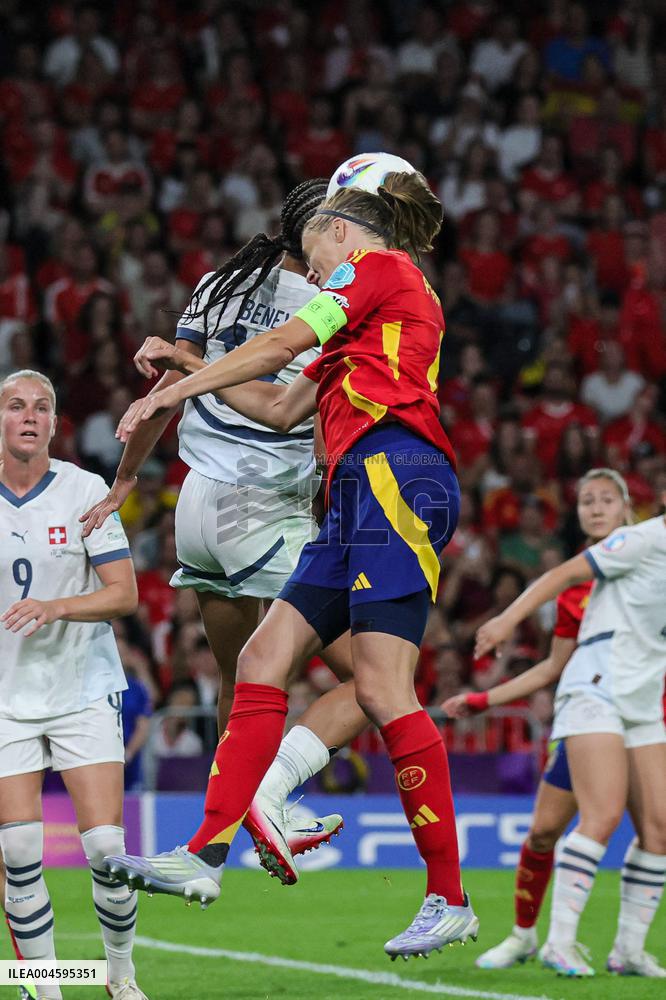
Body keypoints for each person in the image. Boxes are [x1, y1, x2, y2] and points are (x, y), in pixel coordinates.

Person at [105, 171, 479, 959]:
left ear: (343, 230)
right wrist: (182, 365)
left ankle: (449, 897)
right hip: (351, 494)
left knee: (381, 687)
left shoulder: (383, 271)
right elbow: (276, 402)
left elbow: (276, 345)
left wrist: (166, 397)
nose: (313, 278)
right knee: (263, 659)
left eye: (315, 259)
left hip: (397, 475)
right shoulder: (356, 326)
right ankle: (203, 855)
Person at [81, 179, 371, 881]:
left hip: (197, 506)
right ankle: (267, 798)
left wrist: (124, 481)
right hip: (263, 506)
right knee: (374, 681)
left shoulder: (216, 284)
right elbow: (281, 409)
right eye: (359, 232)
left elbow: (160, 399)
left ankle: (213, 844)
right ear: (327, 232)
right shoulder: (328, 308)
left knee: (239, 683)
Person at [444, 468, 665, 976]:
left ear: (626, 506)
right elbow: (553, 661)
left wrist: (483, 698)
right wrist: (498, 652)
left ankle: (627, 949)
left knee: (657, 829)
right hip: (596, 698)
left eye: (605, 499)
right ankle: (536, 936)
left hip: (642, 705)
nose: (594, 507)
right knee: (568, 825)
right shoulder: (622, 553)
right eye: (586, 500)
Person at [0, 370, 146, 1000]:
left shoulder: (86, 490)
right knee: (21, 853)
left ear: (55, 424)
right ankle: (48, 989)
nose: (29, 417)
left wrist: (56, 607)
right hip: (6, 700)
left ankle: (118, 975)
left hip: (82, 688)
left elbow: (126, 595)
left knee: (108, 854)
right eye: (15, 406)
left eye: (41, 408)